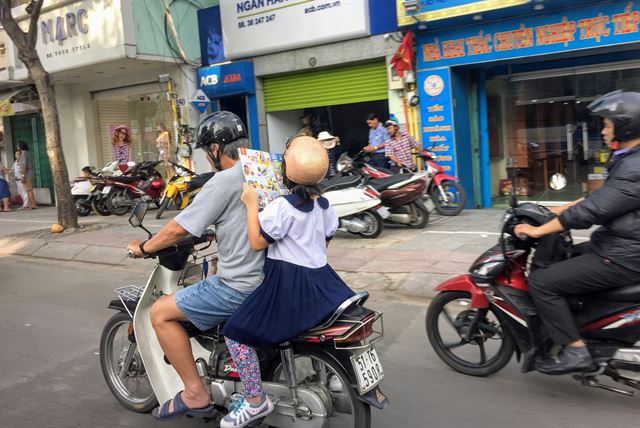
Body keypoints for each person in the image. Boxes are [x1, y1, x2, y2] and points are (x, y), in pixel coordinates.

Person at [125, 111, 265, 421]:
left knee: (160, 312)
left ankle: (194, 392)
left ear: (216, 148)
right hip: (272, 280)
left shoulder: (223, 181)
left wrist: (145, 247)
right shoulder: (261, 169)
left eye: (205, 150)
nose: (206, 157)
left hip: (238, 286)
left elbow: (178, 229)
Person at [220, 136, 356, 428]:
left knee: (233, 331)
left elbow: (257, 242)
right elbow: (324, 242)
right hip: (324, 283)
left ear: (285, 171)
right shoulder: (326, 206)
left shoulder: (281, 207)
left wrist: (250, 204)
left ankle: (255, 402)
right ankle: (330, 376)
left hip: (287, 287)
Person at [514, 90, 640, 375]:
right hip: (619, 247)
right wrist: (555, 210)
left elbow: (590, 213)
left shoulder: (634, 166)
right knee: (565, 257)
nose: (604, 130)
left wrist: (538, 231)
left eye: (607, 124)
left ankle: (575, 350)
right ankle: (579, 327)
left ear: (625, 125)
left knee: (544, 283)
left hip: (623, 256)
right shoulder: (629, 159)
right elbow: (601, 199)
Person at [17, 141, 36, 209]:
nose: (17, 146)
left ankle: (33, 204)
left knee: (28, 189)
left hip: (27, 174)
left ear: (20, 146)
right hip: (29, 173)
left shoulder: (24, 153)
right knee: (29, 189)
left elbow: (25, 166)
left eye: (18, 145)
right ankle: (32, 204)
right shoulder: (27, 153)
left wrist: (23, 176)